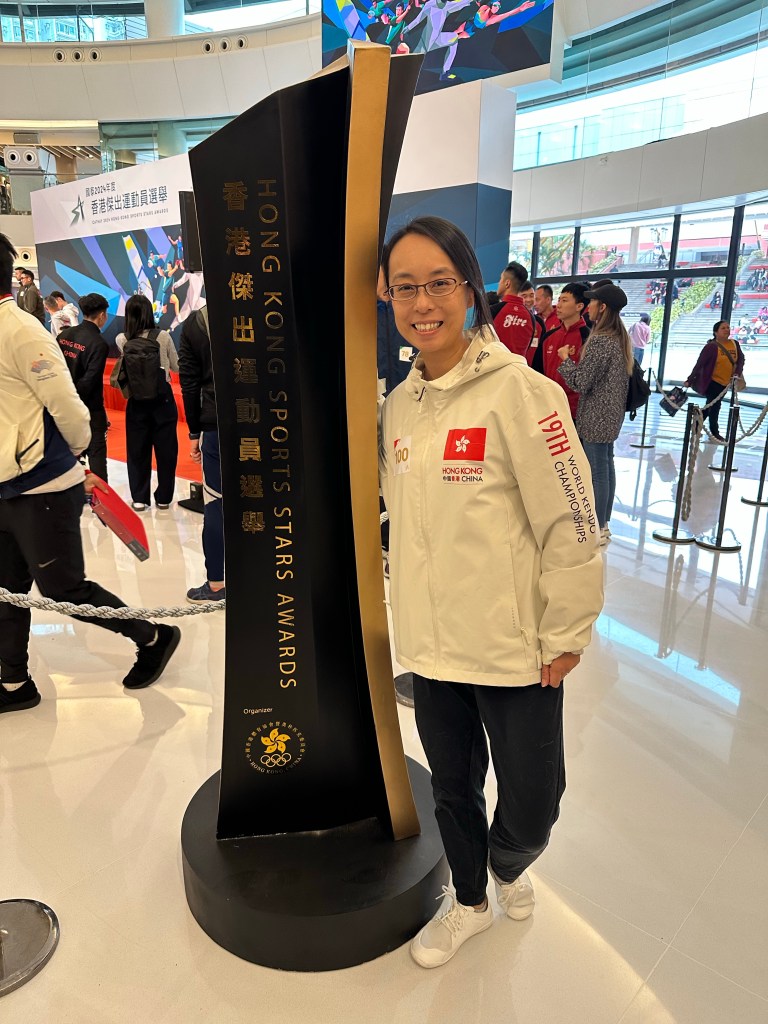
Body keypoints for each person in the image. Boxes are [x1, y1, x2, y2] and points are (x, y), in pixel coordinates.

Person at [379, 216, 603, 969]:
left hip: (516, 648)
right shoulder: (398, 407)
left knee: (535, 803)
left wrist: (566, 632)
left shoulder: (525, 393)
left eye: (439, 283)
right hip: (433, 647)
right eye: (405, 287)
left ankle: (509, 862)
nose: (423, 303)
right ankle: (470, 901)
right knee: (453, 790)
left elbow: (572, 522)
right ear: (388, 298)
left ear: (471, 289)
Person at [0, 233, 180, 714]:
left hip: (40, 483)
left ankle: (153, 636)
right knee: (6, 590)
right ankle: (14, 682)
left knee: (64, 588)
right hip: (5, 483)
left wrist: (76, 458)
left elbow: (69, 408)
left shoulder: (21, 330)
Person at [556, 283, 632, 544]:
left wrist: (565, 359)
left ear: (603, 308)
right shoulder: (619, 338)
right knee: (606, 467)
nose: (588, 307)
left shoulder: (600, 340)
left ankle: (597, 526)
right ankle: (604, 523)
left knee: (597, 471)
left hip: (596, 416)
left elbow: (581, 382)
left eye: (592, 302)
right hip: (611, 415)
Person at [179, 305, 225, 604]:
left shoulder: (197, 322)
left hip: (216, 423)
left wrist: (194, 432)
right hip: (268, 425)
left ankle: (217, 584)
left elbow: (190, 381)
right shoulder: (268, 306)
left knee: (217, 504)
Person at [116, 294, 179, 511]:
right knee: (167, 450)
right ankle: (163, 498)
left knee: (137, 450)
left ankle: (139, 498)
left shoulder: (122, 339)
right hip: (163, 399)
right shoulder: (163, 336)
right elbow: (176, 366)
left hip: (136, 400)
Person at [56, 293, 111, 482]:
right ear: (102, 315)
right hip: (90, 408)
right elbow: (90, 380)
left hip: (63, 406)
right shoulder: (99, 343)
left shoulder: (64, 335)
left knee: (67, 457)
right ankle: (99, 496)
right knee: (97, 458)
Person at [684, 321, 745, 441]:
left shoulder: (734, 344)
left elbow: (741, 360)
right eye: (723, 328)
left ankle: (697, 423)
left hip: (726, 382)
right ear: (716, 332)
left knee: (711, 405)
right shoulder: (711, 346)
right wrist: (690, 380)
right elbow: (700, 364)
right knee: (715, 405)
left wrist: (737, 373)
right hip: (713, 381)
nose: (727, 330)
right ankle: (714, 431)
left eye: (728, 327)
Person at [536, 282, 589, 418]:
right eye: (559, 300)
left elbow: (586, 380)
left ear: (579, 306)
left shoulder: (588, 338)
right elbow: (538, 372)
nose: (558, 305)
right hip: (547, 408)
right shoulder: (548, 336)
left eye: (564, 301)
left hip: (574, 412)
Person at [493, 260, 536, 360]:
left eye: (501, 279)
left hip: (495, 368)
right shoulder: (531, 318)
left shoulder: (493, 311)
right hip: (519, 368)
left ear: (507, 283)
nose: (499, 283)